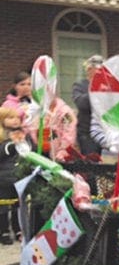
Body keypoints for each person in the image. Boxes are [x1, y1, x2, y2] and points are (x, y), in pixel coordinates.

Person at [0, 107, 31, 244]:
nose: (15, 120)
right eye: (11, 117)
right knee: (3, 206)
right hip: (3, 178)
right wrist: (12, 145)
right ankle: (3, 231)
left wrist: (25, 143)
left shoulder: (23, 134)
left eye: (18, 117)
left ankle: (18, 228)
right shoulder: (3, 137)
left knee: (18, 205)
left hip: (19, 176)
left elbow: (29, 151)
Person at [27, 92, 77, 162]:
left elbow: (70, 132)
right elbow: (29, 128)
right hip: (38, 151)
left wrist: (63, 150)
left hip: (58, 154)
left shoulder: (65, 112)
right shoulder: (34, 110)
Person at [71, 55, 103, 154]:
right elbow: (81, 103)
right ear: (89, 69)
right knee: (91, 160)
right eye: (98, 69)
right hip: (87, 133)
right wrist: (95, 89)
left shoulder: (107, 86)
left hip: (105, 131)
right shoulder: (80, 86)